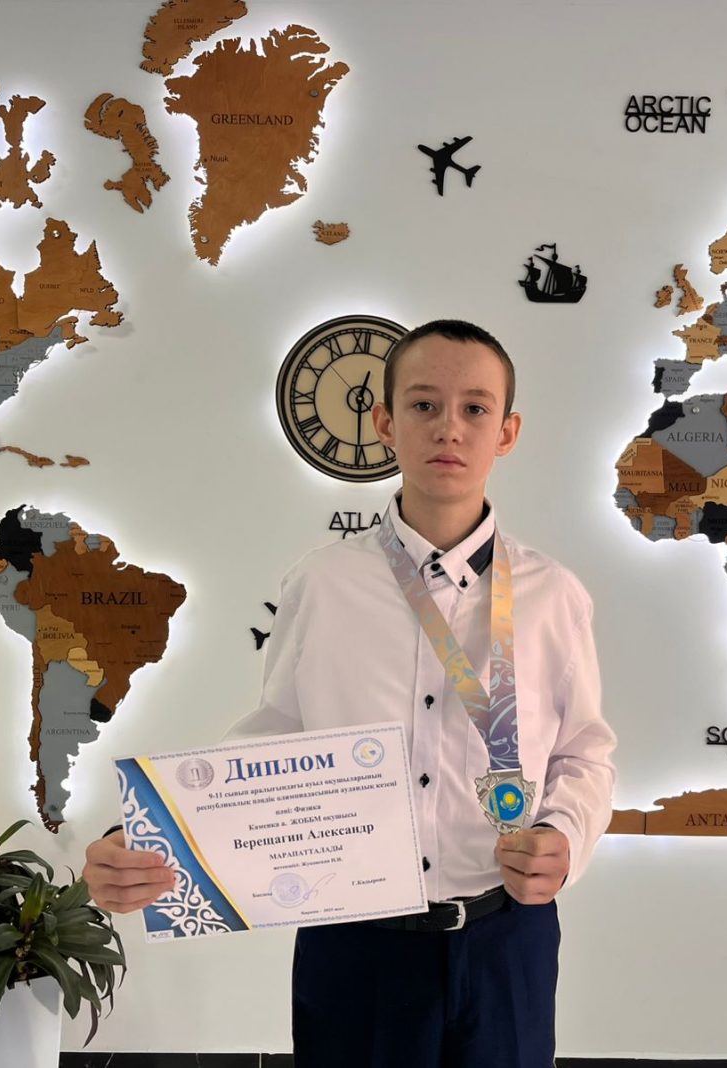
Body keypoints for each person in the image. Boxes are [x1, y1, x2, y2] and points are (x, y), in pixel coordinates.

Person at [83, 319, 617, 1067]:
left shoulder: (553, 595)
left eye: (475, 408)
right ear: (385, 423)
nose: (449, 428)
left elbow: (584, 753)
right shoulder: (324, 583)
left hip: (507, 942)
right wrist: (147, 840)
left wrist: (564, 836)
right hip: (356, 947)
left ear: (507, 431)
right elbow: (275, 741)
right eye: (424, 405)